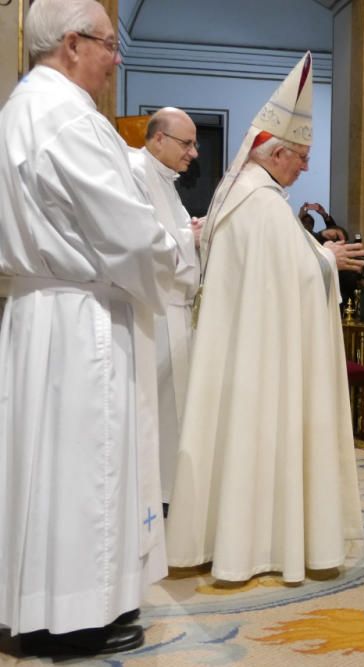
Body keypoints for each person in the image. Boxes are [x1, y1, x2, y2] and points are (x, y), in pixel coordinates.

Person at [0, 0, 178, 654]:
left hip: (36, 310)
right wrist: (177, 254)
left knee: (36, 464)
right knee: (85, 468)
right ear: (73, 44)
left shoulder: (16, 110)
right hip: (82, 318)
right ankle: (76, 616)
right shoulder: (71, 119)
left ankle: (29, 602)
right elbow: (127, 231)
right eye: (108, 43)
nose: (117, 57)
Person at [166, 52, 364, 584]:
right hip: (262, 358)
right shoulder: (263, 203)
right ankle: (262, 547)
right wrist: (328, 261)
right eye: (300, 157)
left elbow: (278, 270)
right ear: (276, 152)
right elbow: (295, 278)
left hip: (238, 351)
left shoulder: (240, 192)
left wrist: (316, 257)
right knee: (259, 438)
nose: (304, 167)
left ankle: (228, 541)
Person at [129, 107, 202, 510]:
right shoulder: (135, 171)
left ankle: (169, 498)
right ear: (159, 138)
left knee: (175, 414)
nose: (194, 153)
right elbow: (142, 241)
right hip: (154, 313)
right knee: (155, 412)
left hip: (176, 312)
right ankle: (150, 500)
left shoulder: (167, 183)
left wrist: (190, 234)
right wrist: (190, 236)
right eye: (186, 143)